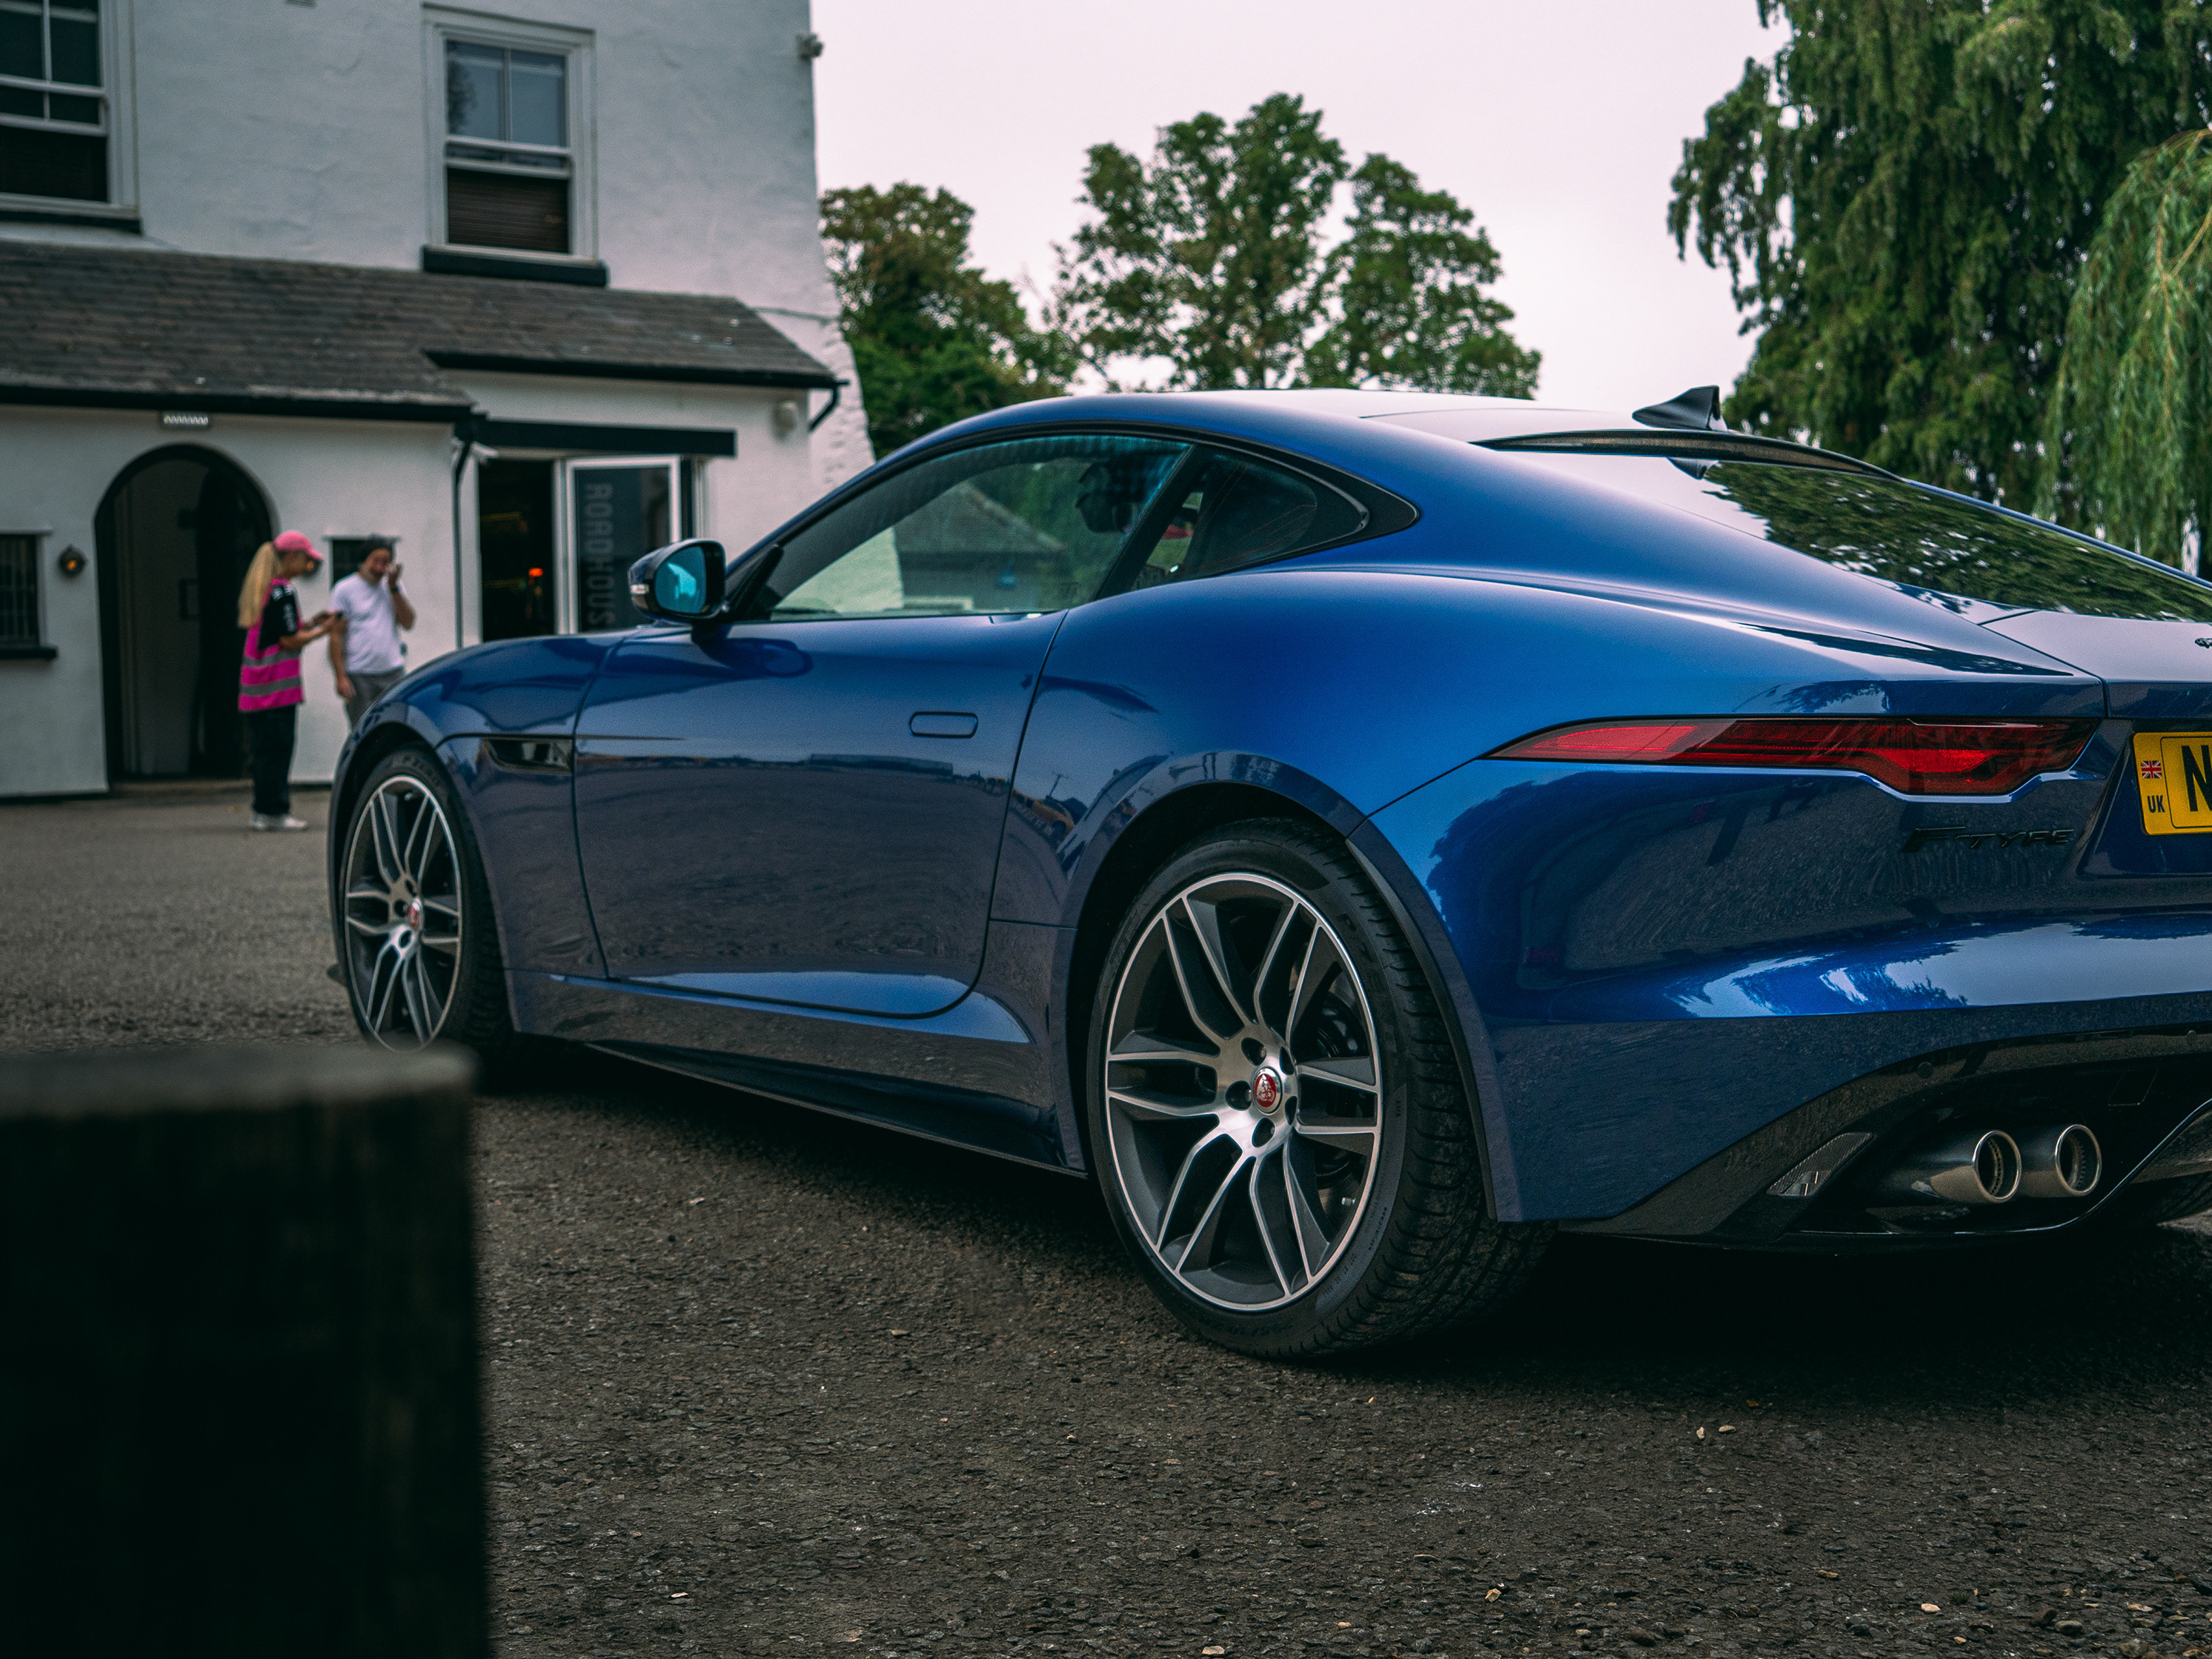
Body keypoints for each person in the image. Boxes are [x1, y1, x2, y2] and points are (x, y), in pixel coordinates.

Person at [236, 531, 336, 831]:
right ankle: (274, 812)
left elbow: (279, 630)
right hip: (277, 689)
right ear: (292, 556)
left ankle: (262, 810)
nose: (308, 566)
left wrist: (311, 623)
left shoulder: (265, 589)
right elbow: (289, 639)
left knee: (263, 752)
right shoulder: (283, 591)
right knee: (278, 750)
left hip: (257, 687)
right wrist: (323, 631)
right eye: (306, 560)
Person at [328, 539, 416, 727]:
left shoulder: (393, 586)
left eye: (385, 562)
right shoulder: (344, 589)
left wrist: (393, 588)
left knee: (397, 726)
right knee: (363, 728)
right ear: (363, 560)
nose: (379, 568)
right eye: (375, 561)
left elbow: (408, 622)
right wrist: (340, 676)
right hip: (359, 674)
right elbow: (336, 635)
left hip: (393, 671)